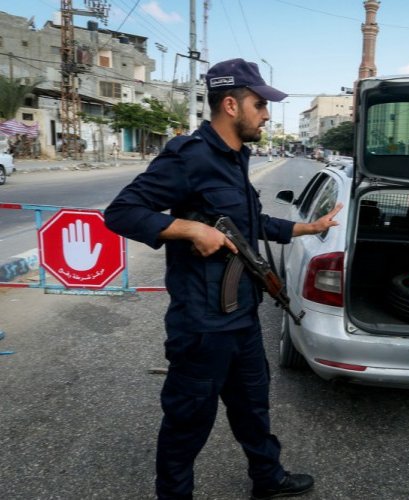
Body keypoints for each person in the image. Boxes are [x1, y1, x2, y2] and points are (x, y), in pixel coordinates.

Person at [105, 58, 342, 500]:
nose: (267, 115)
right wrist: (189, 229)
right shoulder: (188, 157)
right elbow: (120, 214)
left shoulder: (236, 158)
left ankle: (267, 479)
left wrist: (309, 228)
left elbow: (248, 222)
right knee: (188, 420)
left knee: (253, 407)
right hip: (201, 324)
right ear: (231, 105)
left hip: (242, 317)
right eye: (260, 104)